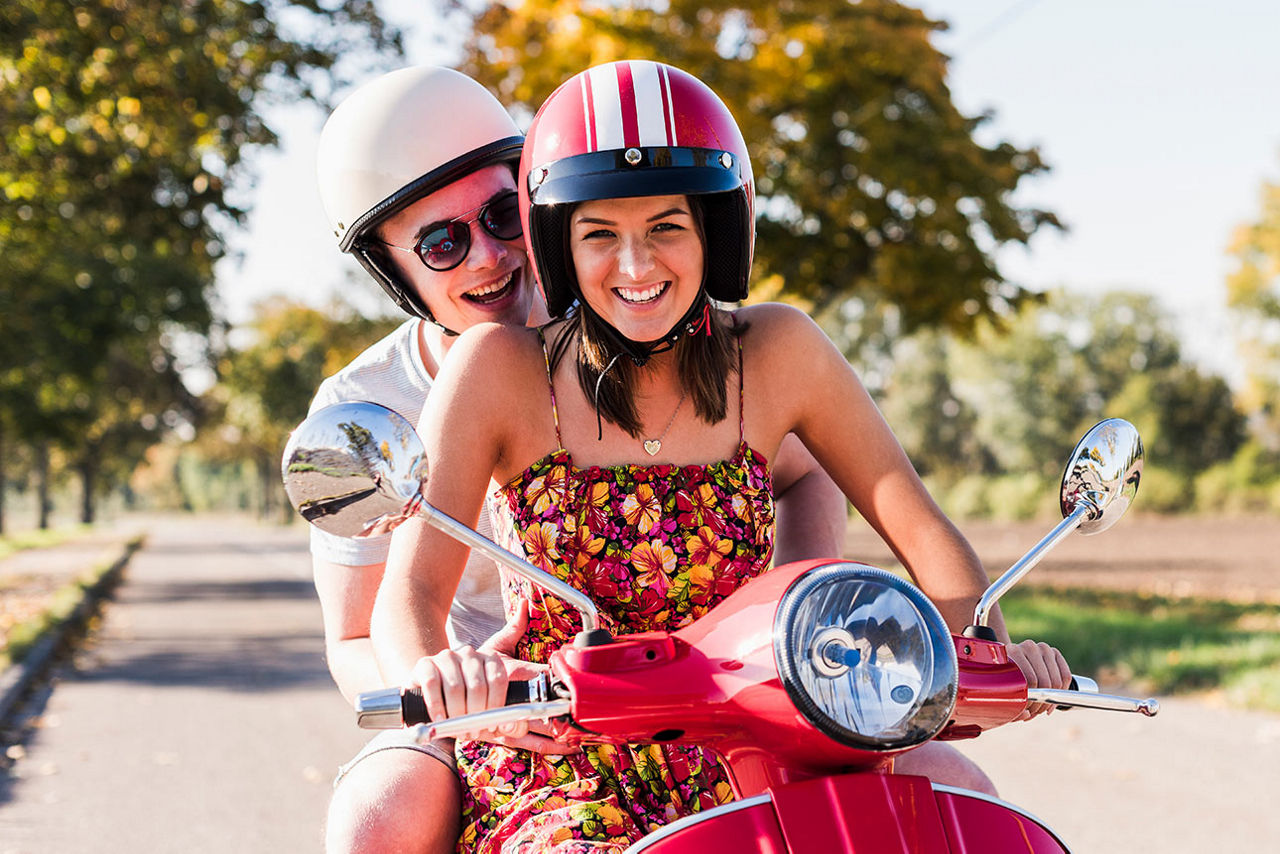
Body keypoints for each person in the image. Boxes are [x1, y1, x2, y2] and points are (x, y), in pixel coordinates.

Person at [372, 59, 1070, 853]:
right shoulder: (498, 368)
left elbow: (923, 531)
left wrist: (985, 649)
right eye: (600, 234)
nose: (635, 267)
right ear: (559, 247)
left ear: (715, 230)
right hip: (564, 758)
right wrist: (442, 675)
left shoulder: (778, 351)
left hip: (762, 745)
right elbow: (410, 593)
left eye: (665, 228)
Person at [308, 65, 850, 853]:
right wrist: (447, 685)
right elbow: (355, 637)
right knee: (381, 810)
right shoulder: (366, 408)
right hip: (483, 698)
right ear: (394, 270)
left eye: (501, 215)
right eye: (443, 242)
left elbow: (804, 465)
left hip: (707, 680)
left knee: (937, 791)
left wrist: (791, 622)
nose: (489, 258)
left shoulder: (635, 308)